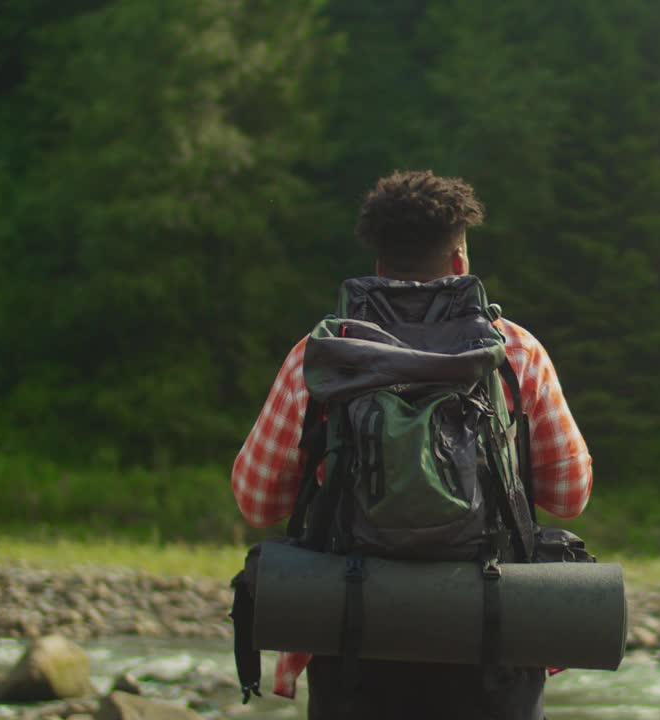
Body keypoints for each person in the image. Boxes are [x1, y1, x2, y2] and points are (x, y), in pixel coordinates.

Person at [230, 169, 593, 719]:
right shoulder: (515, 351)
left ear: (378, 264)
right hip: (490, 637)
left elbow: (256, 500)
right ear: (459, 260)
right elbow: (570, 495)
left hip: (352, 632)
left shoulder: (324, 352)